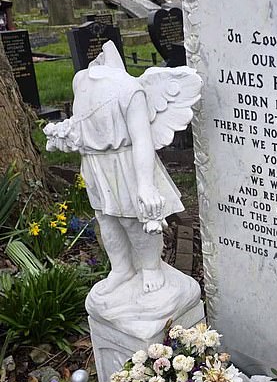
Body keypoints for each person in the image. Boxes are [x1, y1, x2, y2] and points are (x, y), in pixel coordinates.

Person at [44, 41, 201, 296]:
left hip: (125, 163)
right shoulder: (80, 81)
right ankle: (121, 268)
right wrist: (65, 134)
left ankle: (151, 268)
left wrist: (146, 185)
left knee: (132, 221)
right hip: (94, 162)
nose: (97, 59)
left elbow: (142, 139)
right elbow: (84, 122)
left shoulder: (130, 89)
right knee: (106, 219)